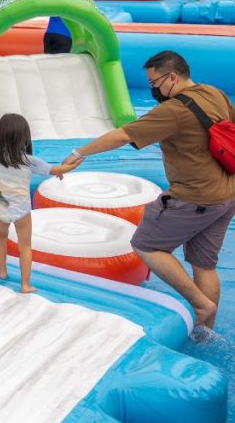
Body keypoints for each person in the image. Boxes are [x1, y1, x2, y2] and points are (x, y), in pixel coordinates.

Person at [60, 51, 235, 330]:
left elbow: (123, 135)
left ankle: (201, 305)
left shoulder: (173, 110)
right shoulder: (214, 93)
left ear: (173, 77)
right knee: (204, 265)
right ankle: (206, 330)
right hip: (226, 195)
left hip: (195, 197)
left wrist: (78, 153)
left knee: (146, 245)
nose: (153, 89)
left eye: (155, 83)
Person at [0, 113, 80, 293]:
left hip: (1, 208)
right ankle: (25, 285)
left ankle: (2, 271)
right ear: (24, 137)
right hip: (21, 210)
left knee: (0, 236)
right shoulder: (29, 161)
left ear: (1, 137)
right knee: (25, 246)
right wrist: (75, 164)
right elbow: (56, 170)